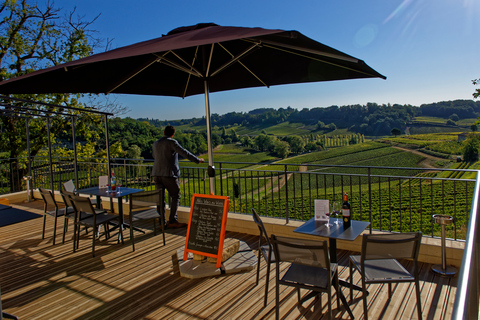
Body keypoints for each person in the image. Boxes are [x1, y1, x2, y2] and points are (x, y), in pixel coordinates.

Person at [152, 125, 205, 228]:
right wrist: (197, 160)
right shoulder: (171, 142)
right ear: (173, 134)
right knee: (176, 195)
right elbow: (184, 152)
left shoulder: (155, 143)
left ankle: (161, 222)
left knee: (160, 199)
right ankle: (172, 220)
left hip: (156, 174)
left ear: (164, 132)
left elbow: (156, 157)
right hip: (168, 174)